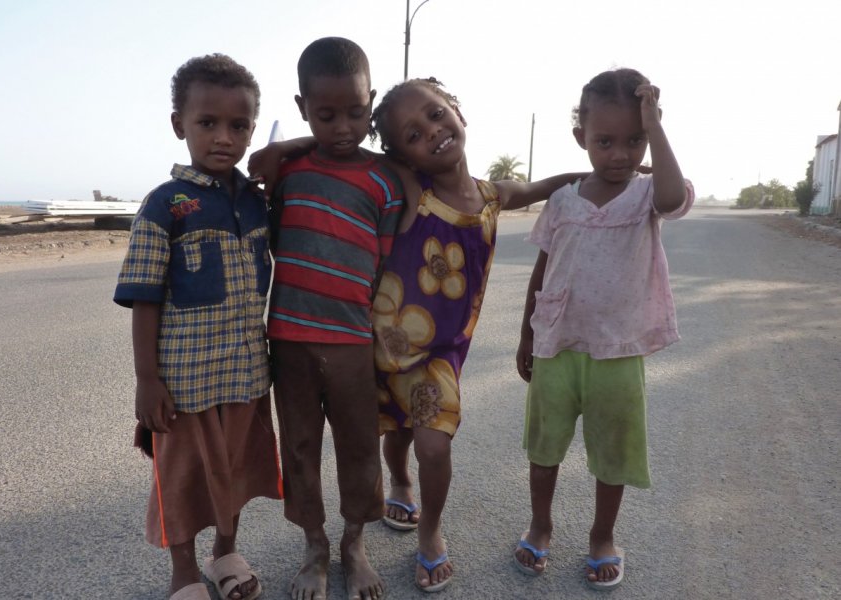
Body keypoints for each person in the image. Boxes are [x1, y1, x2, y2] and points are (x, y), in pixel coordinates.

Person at [366, 77, 586, 593]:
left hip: (438, 356)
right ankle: (399, 481)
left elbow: (542, 187)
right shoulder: (414, 191)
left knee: (433, 445)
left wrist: (595, 174)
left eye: (437, 114)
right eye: (413, 134)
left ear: (458, 111)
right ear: (405, 156)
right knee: (395, 434)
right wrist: (289, 145)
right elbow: (349, 149)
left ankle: (431, 529)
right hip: (382, 345)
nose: (433, 132)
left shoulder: (492, 197)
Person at [513, 68, 694, 590]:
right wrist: (527, 334)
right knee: (544, 448)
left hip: (617, 350)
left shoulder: (644, 197)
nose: (620, 153)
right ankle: (540, 526)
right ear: (581, 140)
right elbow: (543, 268)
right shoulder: (564, 199)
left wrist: (655, 128)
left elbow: (669, 198)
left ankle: (601, 536)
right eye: (605, 141)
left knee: (612, 453)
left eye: (633, 141)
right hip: (556, 345)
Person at [113, 54, 282, 600]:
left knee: (235, 469)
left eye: (240, 126)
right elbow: (144, 299)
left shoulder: (256, 204)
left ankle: (225, 553)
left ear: (253, 129)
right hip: (184, 382)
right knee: (183, 478)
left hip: (246, 374)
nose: (223, 138)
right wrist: (146, 380)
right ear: (178, 125)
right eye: (207, 123)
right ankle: (183, 573)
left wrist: (283, 155)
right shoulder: (165, 206)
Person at [264, 37, 404, 600]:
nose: (344, 126)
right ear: (302, 108)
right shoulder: (288, 170)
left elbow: (386, 260)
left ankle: (353, 544)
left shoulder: (386, 180)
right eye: (325, 115)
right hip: (290, 338)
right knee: (298, 445)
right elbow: (265, 187)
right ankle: (315, 547)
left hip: (352, 339)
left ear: (371, 102)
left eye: (356, 111)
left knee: (358, 445)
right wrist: (292, 147)